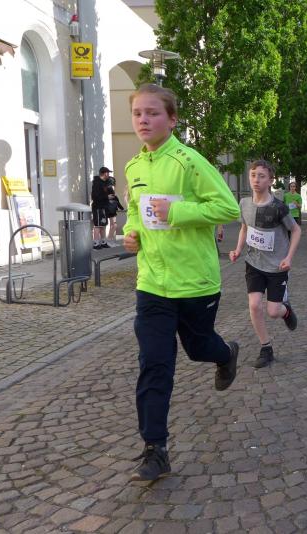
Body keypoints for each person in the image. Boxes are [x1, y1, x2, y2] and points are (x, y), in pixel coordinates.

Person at [122, 84, 241, 481]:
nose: (143, 120)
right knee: (154, 364)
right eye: (138, 113)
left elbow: (226, 207)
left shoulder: (189, 162)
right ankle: (155, 449)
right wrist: (130, 233)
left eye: (153, 113)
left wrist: (177, 212)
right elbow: (135, 212)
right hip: (152, 284)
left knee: (198, 348)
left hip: (195, 282)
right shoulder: (133, 167)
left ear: (172, 119)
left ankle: (225, 354)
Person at [229, 160, 300, 369]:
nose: (256, 180)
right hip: (254, 263)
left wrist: (289, 258)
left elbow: (296, 230)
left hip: (277, 266)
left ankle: (286, 312)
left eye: (261, 176)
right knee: (254, 305)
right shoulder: (244, 203)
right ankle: (265, 347)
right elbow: (244, 228)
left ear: (270, 180)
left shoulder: (278, 207)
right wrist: (238, 249)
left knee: (273, 311)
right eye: (253, 175)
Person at [91, 167, 112, 249]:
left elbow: (107, 193)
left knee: (103, 225)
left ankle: (103, 242)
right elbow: (95, 197)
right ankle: (96, 244)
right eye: (108, 173)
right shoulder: (97, 183)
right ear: (104, 173)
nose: (109, 174)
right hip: (98, 208)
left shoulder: (105, 183)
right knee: (97, 226)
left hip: (104, 207)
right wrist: (107, 197)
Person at [105, 173, 126, 245]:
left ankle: (110, 241)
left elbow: (114, 198)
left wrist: (121, 207)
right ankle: (109, 241)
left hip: (109, 209)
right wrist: (121, 207)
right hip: (110, 210)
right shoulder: (109, 189)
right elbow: (115, 198)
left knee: (113, 225)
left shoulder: (106, 188)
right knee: (113, 225)